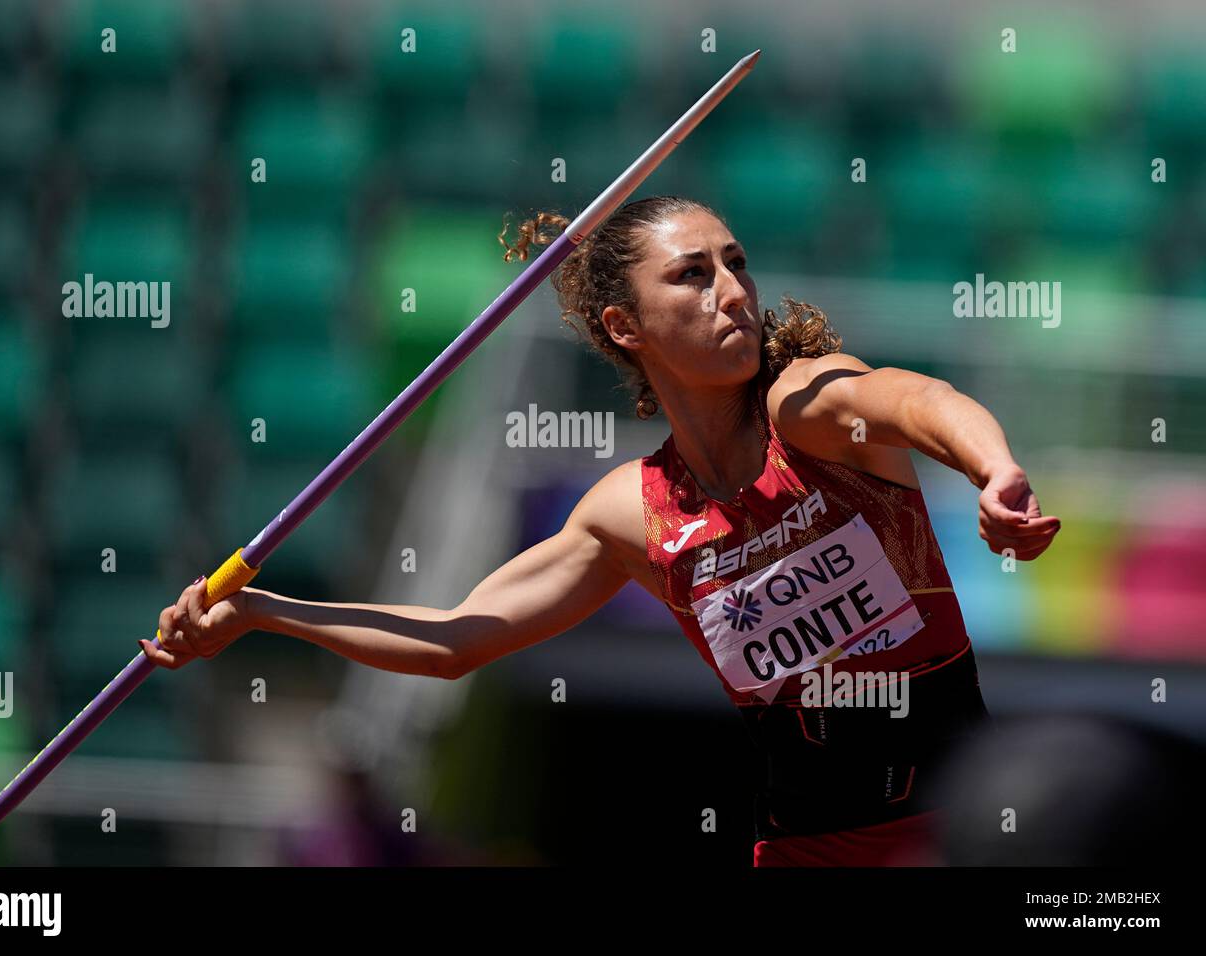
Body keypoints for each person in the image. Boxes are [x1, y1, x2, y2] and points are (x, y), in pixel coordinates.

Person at [144, 196, 1061, 866]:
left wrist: (993, 470)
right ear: (626, 326)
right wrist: (267, 612)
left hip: (958, 829)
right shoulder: (632, 513)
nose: (732, 292)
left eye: (736, 263)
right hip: (804, 853)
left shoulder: (805, 408)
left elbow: (921, 400)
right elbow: (457, 641)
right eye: (692, 276)